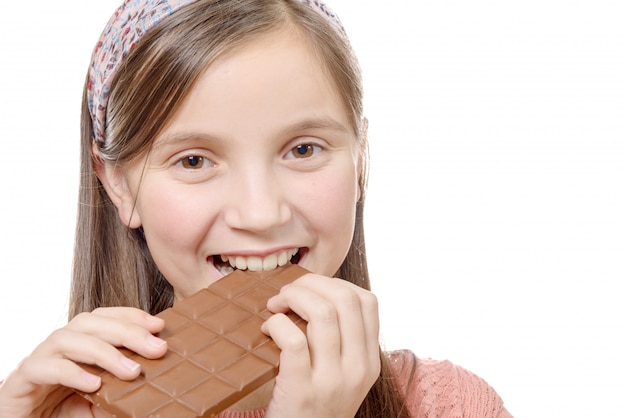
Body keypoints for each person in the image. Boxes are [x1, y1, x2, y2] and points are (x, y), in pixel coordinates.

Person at [0, 0, 512, 416]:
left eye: (303, 150)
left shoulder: (454, 406)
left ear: (360, 161)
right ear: (118, 185)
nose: (260, 213)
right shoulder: (51, 409)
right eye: (195, 160)